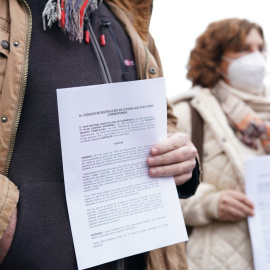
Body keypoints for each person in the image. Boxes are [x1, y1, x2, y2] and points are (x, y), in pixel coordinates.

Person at [0, 0, 199, 269]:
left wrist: (180, 156)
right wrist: (7, 224)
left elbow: (163, 122)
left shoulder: (127, 20)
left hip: (137, 257)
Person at [172, 18, 269, 270]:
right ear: (216, 57)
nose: (256, 57)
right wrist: (210, 203)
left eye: (260, 48)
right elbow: (155, 194)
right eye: (243, 49)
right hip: (213, 260)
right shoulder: (186, 112)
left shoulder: (265, 115)